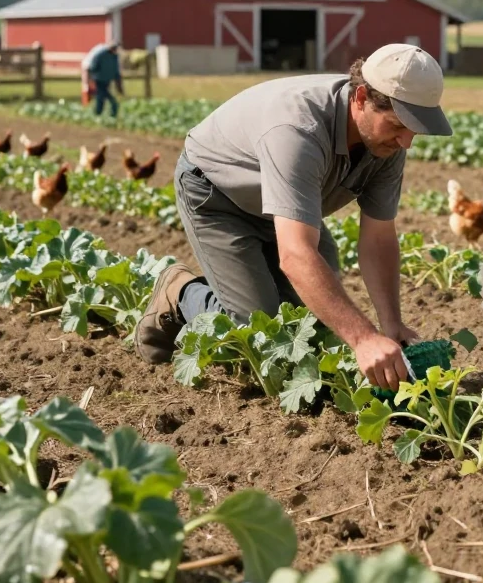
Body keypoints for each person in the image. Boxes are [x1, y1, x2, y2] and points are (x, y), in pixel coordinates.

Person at [134, 43, 453, 391]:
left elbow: (378, 238)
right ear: (361, 98)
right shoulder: (298, 129)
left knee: (311, 325)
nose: (406, 142)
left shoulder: (386, 143)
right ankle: (180, 291)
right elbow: (296, 255)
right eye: (397, 125)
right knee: (259, 336)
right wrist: (363, 339)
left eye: (414, 129)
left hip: (281, 204)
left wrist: (391, 325)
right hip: (218, 194)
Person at [84, 41, 124, 117]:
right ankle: (100, 113)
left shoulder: (114, 56)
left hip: (107, 80)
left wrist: (118, 84)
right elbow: (93, 66)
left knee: (101, 98)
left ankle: (100, 114)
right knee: (102, 97)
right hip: (99, 80)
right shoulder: (101, 54)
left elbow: (116, 70)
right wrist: (91, 79)